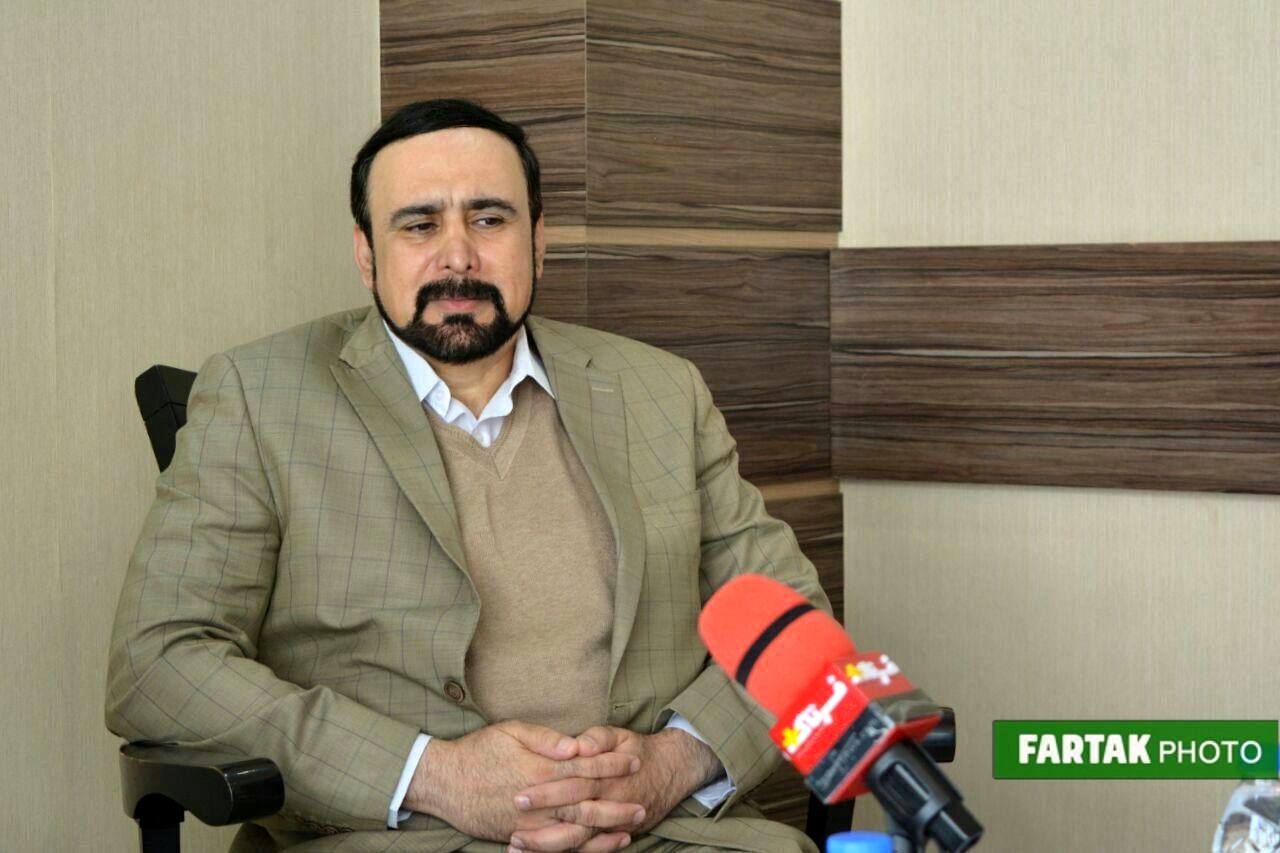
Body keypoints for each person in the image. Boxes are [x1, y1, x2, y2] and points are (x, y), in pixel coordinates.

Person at [106, 99, 830, 853]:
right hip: (399, 837)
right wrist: (432, 775)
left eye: (489, 219)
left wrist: (672, 764)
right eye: (419, 225)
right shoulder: (260, 396)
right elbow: (157, 662)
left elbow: (798, 627)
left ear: (538, 242)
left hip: (655, 831)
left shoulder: (660, 391)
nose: (458, 256)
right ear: (366, 253)